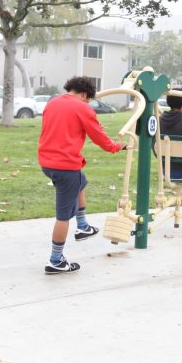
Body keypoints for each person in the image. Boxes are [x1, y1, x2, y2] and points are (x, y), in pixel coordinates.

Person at [38, 76, 127, 274]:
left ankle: (83, 225)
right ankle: (56, 260)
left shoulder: (52, 103)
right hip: (65, 166)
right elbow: (98, 136)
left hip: (47, 162)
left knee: (82, 181)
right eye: (89, 100)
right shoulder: (83, 107)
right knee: (63, 216)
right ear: (85, 95)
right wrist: (116, 147)